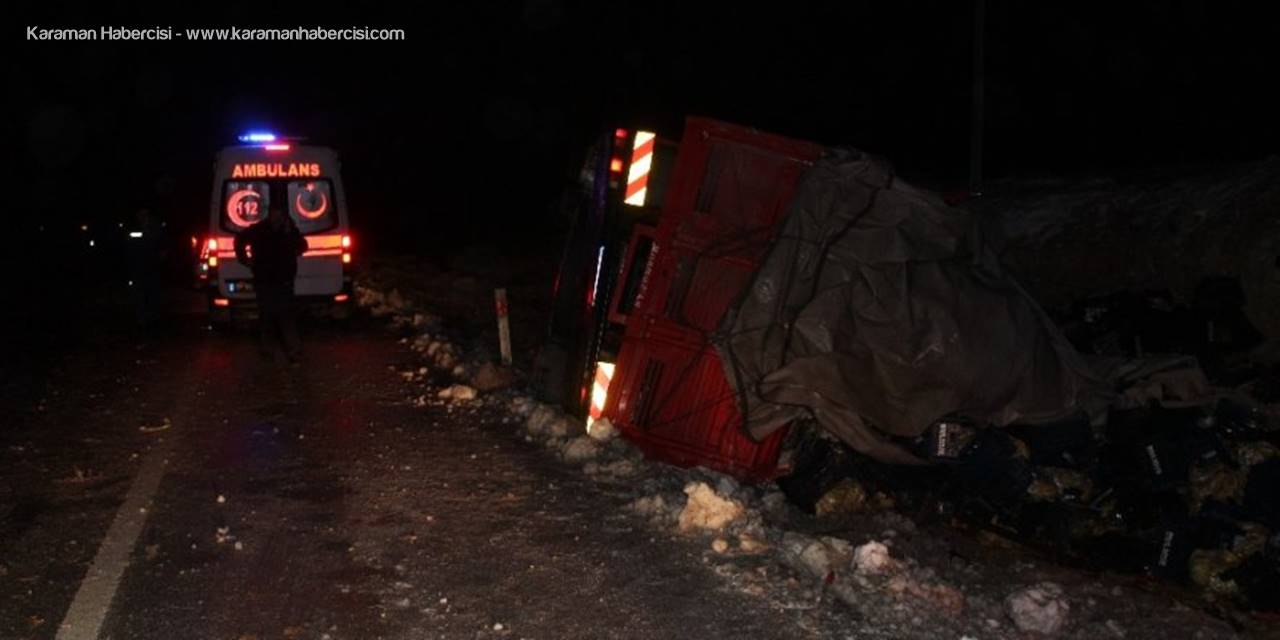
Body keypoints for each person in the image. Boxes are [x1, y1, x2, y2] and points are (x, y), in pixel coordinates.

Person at [234, 204, 308, 363]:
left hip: (283, 281)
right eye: (274, 214)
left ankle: (293, 352)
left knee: (286, 317)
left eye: (279, 215)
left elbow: (303, 246)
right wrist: (245, 259)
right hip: (264, 280)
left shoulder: (288, 230)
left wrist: (291, 236)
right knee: (267, 317)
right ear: (269, 214)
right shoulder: (258, 229)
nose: (277, 218)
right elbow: (239, 240)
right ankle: (268, 352)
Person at [124, 206, 168, 328]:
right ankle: (142, 320)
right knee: (139, 295)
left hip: (152, 267)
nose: (142, 216)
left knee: (153, 294)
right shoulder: (133, 227)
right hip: (137, 267)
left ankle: (153, 319)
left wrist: (160, 257)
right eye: (140, 214)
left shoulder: (156, 227)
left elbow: (163, 245)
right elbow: (127, 245)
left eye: (145, 214)